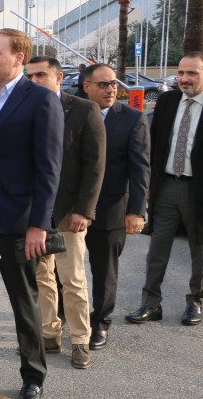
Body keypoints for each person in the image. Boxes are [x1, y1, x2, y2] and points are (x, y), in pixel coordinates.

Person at [0, 29, 63, 399]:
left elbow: (49, 168)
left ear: (18, 58)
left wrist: (39, 224)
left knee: (24, 303)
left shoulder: (40, 100)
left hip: (19, 224)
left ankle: (33, 377)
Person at [26, 56, 104, 369]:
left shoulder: (84, 110)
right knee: (42, 276)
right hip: (34, 211)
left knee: (72, 279)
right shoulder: (26, 108)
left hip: (68, 211)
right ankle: (49, 333)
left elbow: (95, 165)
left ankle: (80, 340)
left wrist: (84, 210)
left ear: (59, 78)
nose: (34, 81)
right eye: (30, 76)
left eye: (40, 75)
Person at [126, 52, 203, 326]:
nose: (184, 78)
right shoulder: (168, 101)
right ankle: (150, 303)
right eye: (181, 73)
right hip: (166, 186)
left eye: (192, 73)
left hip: (198, 190)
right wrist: (148, 184)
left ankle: (195, 302)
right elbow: (153, 144)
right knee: (157, 249)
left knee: (199, 250)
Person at [81, 64, 149, 348]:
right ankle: (62, 317)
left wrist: (136, 211)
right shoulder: (73, 113)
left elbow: (140, 169)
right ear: (87, 86)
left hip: (111, 209)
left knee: (104, 272)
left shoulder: (133, 119)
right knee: (64, 270)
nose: (111, 89)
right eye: (103, 84)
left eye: (114, 84)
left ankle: (100, 323)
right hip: (73, 207)